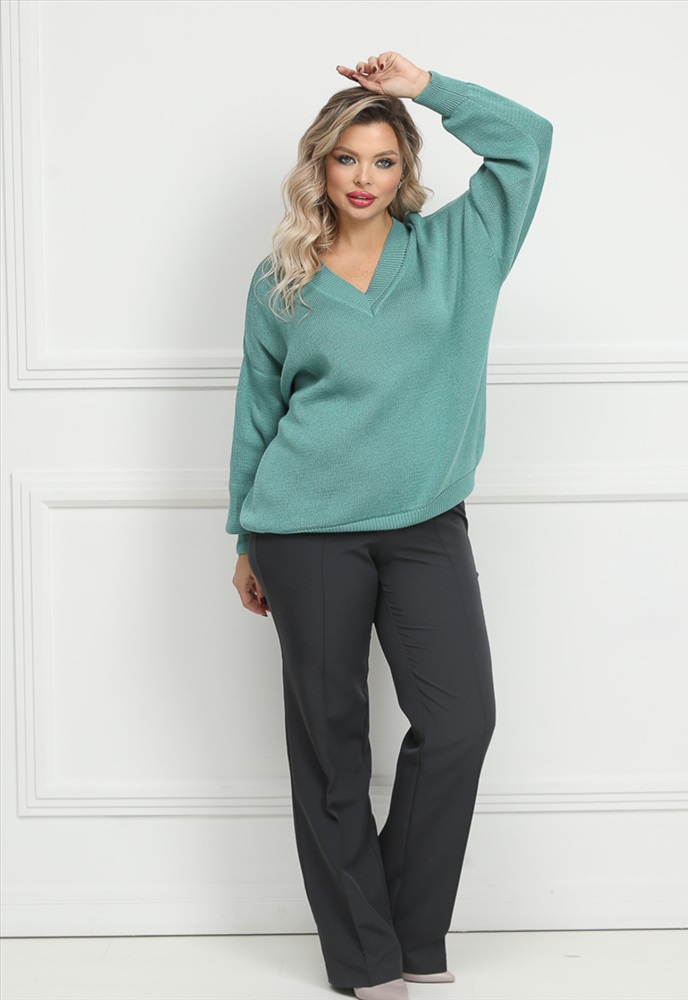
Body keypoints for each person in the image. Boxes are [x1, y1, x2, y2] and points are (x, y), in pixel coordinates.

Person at [226, 51, 553, 1000]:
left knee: (459, 723)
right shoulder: (281, 278)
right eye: (346, 159)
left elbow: (528, 143)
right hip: (301, 532)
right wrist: (246, 535)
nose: (362, 178)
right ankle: (364, 960)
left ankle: (411, 934)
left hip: (424, 525)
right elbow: (257, 409)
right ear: (319, 165)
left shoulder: (462, 247)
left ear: (406, 168)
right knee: (331, 747)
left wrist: (428, 89)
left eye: (381, 160)